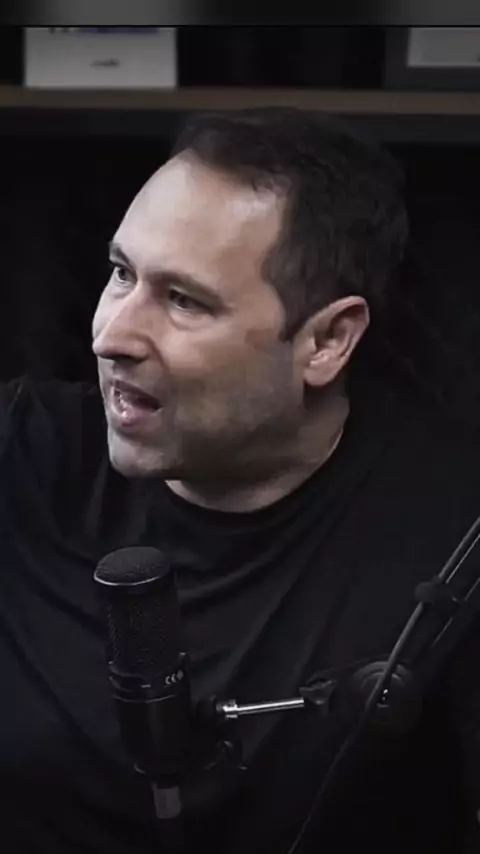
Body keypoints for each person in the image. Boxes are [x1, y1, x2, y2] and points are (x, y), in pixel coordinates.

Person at [1, 106, 480, 854]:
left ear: (327, 341)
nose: (111, 336)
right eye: (122, 274)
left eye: (183, 301)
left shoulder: (455, 532)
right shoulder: (21, 448)